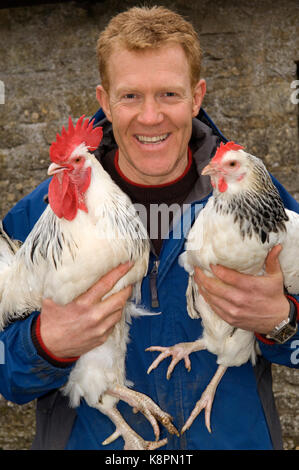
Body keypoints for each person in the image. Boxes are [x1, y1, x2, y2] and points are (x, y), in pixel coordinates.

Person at [1, 5, 299, 450]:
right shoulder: (41, 216)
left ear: (197, 96)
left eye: (169, 95)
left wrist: (281, 322)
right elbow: (9, 381)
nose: (151, 117)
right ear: (104, 101)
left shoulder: (261, 205)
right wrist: (45, 344)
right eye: (130, 97)